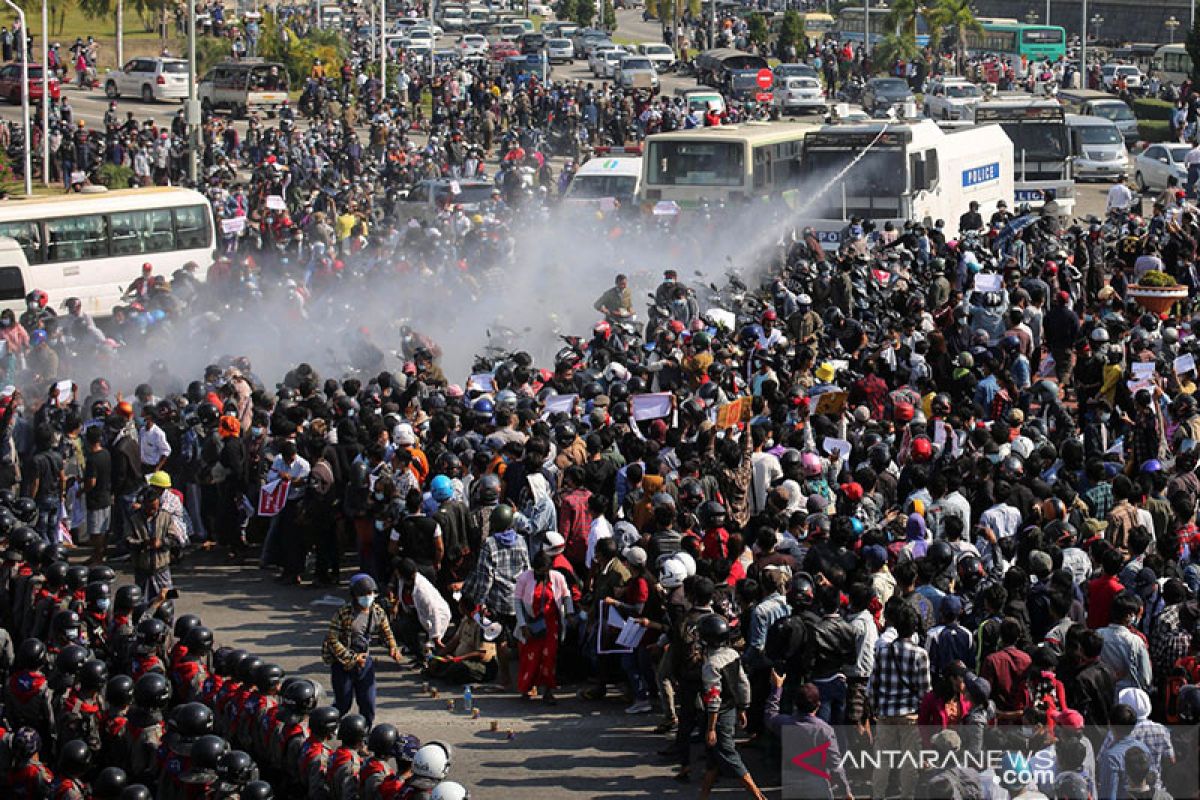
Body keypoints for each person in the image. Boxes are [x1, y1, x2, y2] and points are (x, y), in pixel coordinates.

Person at [321, 574, 402, 726]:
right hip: (343, 664)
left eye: (370, 594)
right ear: (354, 596)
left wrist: (393, 647)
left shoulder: (377, 612)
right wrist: (352, 658)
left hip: (365, 664)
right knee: (343, 704)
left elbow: (387, 631)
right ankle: (325, 727)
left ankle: (363, 737)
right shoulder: (343, 614)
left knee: (368, 705)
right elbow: (332, 639)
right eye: (363, 594)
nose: (368, 597)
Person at [514, 550, 574, 704]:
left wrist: (569, 613)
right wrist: (522, 624)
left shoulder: (557, 577)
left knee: (549, 657)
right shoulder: (524, 578)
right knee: (530, 658)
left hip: (551, 624)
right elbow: (518, 602)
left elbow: (566, 595)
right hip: (531, 623)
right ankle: (527, 688)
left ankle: (548, 690)